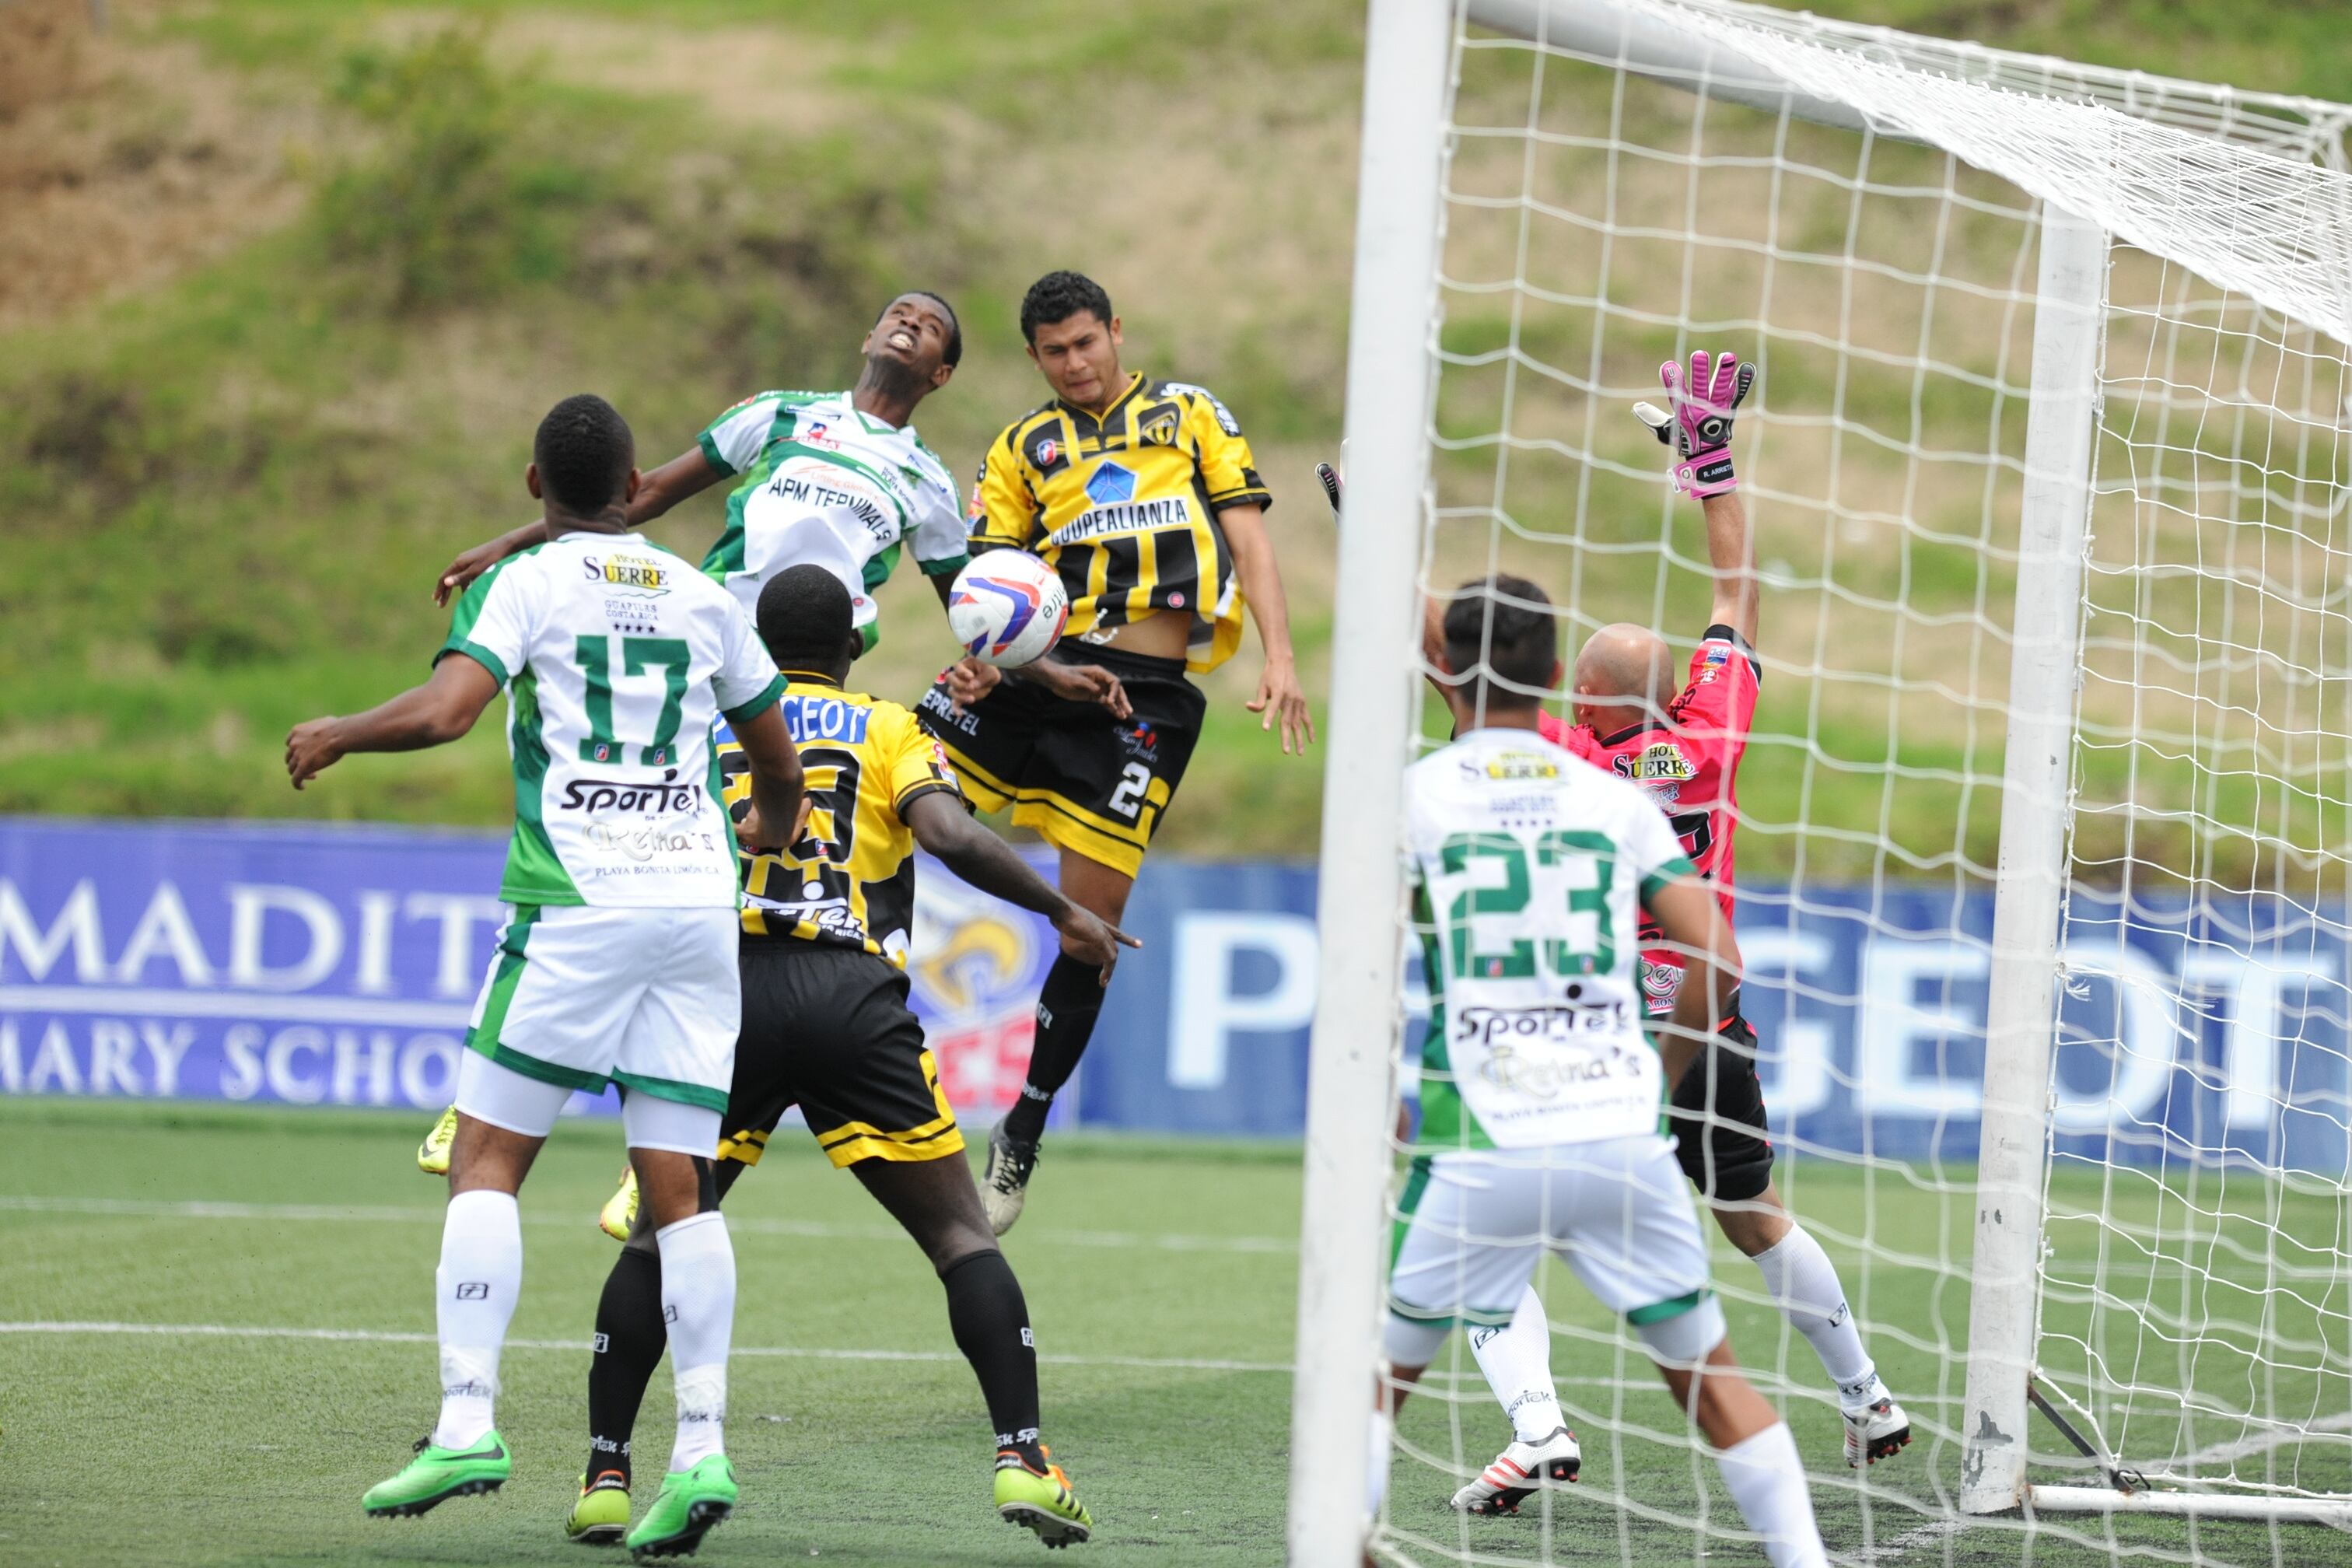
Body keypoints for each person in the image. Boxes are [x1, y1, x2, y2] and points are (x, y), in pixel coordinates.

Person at [412, 292, 1128, 1222]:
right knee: (605, 843)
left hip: (799, 675)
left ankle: (661, 1153)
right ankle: (485, 1095)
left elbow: (974, 608)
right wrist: (512, 543)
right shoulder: (777, 414)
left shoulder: (925, 482)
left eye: (932, 326)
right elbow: (638, 496)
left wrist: (1051, 670)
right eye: (899, 311)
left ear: (942, 372)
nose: (911, 321)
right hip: (703, 648)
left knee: (722, 895)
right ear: (868, 336)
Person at [287, 395, 806, 1558]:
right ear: (634, 483)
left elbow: (447, 713)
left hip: (578, 900)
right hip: (696, 909)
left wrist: (340, 731)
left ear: (535, 487)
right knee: (679, 1191)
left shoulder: (523, 583)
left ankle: (467, 1422)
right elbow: (778, 765)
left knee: (485, 1157)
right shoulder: (703, 595)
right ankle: (702, 1447)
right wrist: (769, 831)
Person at [564, 565, 1133, 1550]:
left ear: (754, 644)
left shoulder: (705, 727)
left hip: (720, 999)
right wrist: (1063, 911)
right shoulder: (884, 726)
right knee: (961, 1238)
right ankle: (1023, 1458)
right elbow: (950, 834)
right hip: (850, 998)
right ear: (854, 646)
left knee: (658, 1237)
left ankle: (605, 1477)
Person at [1446, 355, 1909, 1507]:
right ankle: (1867, 1395)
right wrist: (1712, 466)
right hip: (1707, 1018)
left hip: (1594, 1031)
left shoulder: (1570, 761)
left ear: (1590, 703)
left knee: (1477, 1232)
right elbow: (1736, 592)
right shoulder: (1713, 727)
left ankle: (1539, 1428)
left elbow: (1455, 678)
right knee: (1751, 1213)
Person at [1370, 576, 1828, 1568]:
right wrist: (1660, 1079)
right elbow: (1718, 959)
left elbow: (1370, 961)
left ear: (1449, 669)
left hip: (1488, 1129)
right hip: (1621, 1124)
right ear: (1552, 676)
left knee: (1377, 1392)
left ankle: (1522, 1435)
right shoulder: (1615, 801)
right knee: (1716, 1387)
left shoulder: (1424, 794)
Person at [919, 269, 1314, 1233]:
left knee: (1090, 930)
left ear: (1116, 332)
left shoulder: (1189, 414)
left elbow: (1250, 540)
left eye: (1087, 343)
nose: (1076, 364)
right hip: (1040, 670)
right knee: (886, 791)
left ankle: (1021, 1130)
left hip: (1143, 696)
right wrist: (984, 662)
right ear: (1035, 358)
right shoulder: (1022, 446)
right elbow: (988, 577)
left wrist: (1282, 656)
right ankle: (863, 1013)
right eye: (1056, 352)